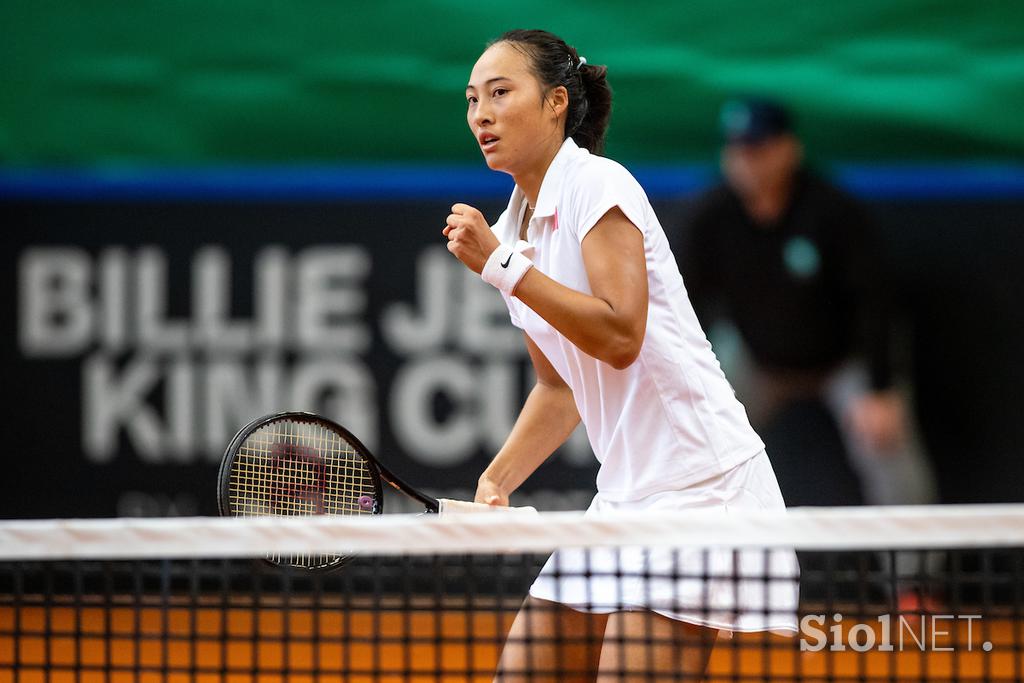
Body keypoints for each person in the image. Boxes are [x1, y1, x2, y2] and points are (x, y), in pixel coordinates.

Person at [442, 30, 798, 681]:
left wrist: (498, 265)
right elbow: (559, 387)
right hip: (623, 499)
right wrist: (497, 479)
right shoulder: (517, 226)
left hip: (700, 489)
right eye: (471, 100)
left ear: (555, 103)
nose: (481, 115)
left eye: (499, 93)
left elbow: (619, 335)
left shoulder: (598, 185)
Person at [677, 97, 937, 605]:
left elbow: (875, 304)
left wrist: (881, 389)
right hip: (758, 360)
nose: (745, 161)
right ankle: (699, 578)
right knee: (699, 448)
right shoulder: (711, 216)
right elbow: (685, 308)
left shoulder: (834, 211)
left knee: (889, 446)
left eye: (757, 148)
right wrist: (694, 391)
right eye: (737, 149)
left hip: (845, 363)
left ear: (788, 150)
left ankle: (914, 588)